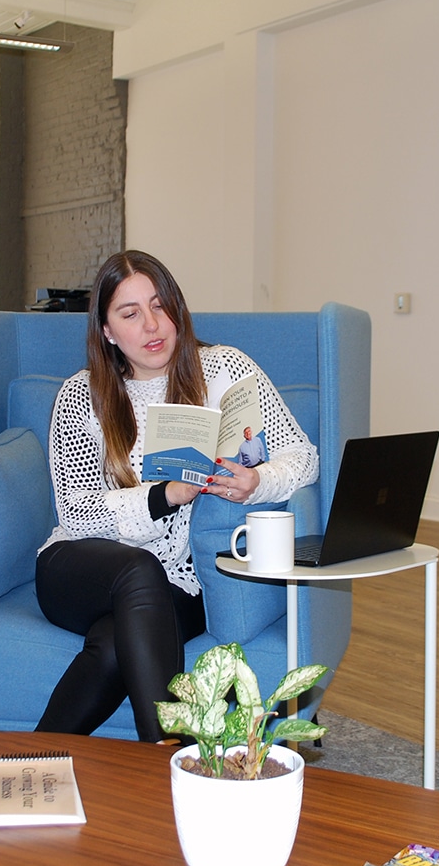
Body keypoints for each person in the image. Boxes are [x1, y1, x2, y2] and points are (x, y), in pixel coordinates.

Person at [34, 250, 318, 742]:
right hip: (78, 567)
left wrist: (257, 482)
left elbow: (303, 456)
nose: (152, 324)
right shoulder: (83, 394)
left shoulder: (226, 368)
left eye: (161, 306)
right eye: (130, 313)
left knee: (111, 648)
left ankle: (26, 764)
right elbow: (78, 514)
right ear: (106, 331)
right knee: (138, 568)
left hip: (178, 584)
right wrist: (164, 495)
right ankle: (169, 764)